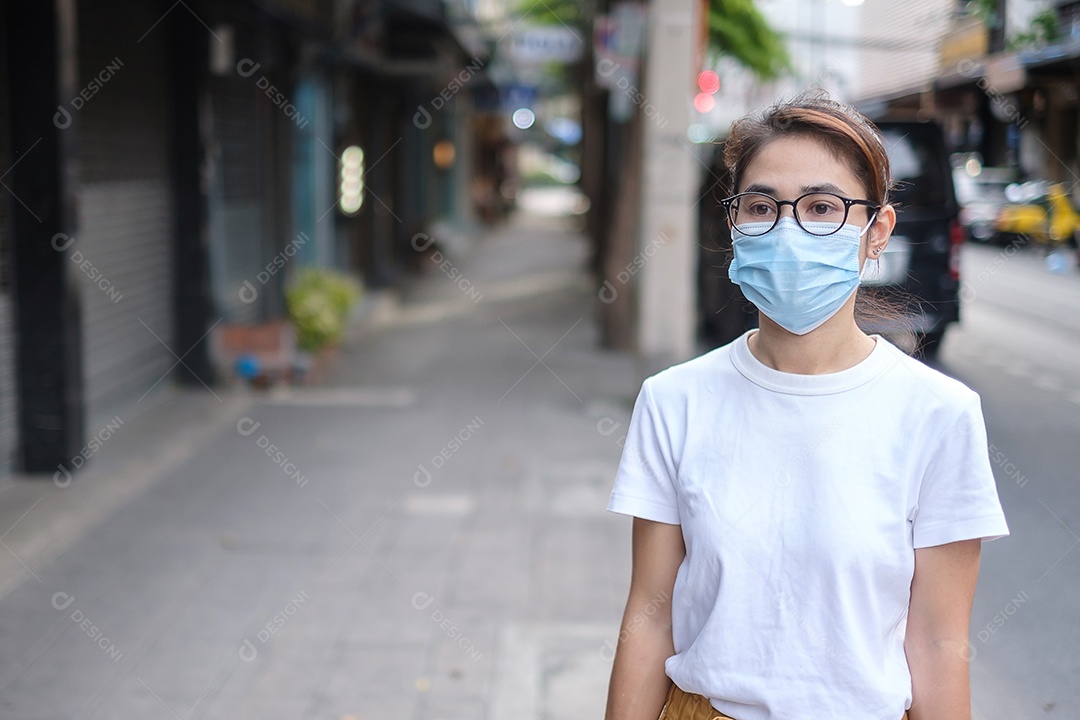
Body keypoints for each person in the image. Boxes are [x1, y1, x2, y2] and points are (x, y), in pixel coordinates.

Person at [604, 93, 1009, 720]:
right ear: (736, 227)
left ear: (876, 233)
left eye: (822, 207)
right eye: (763, 206)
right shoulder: (673, 401)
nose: (789, 229)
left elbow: (938, 645)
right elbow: (650, 615)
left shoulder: (939, 414)